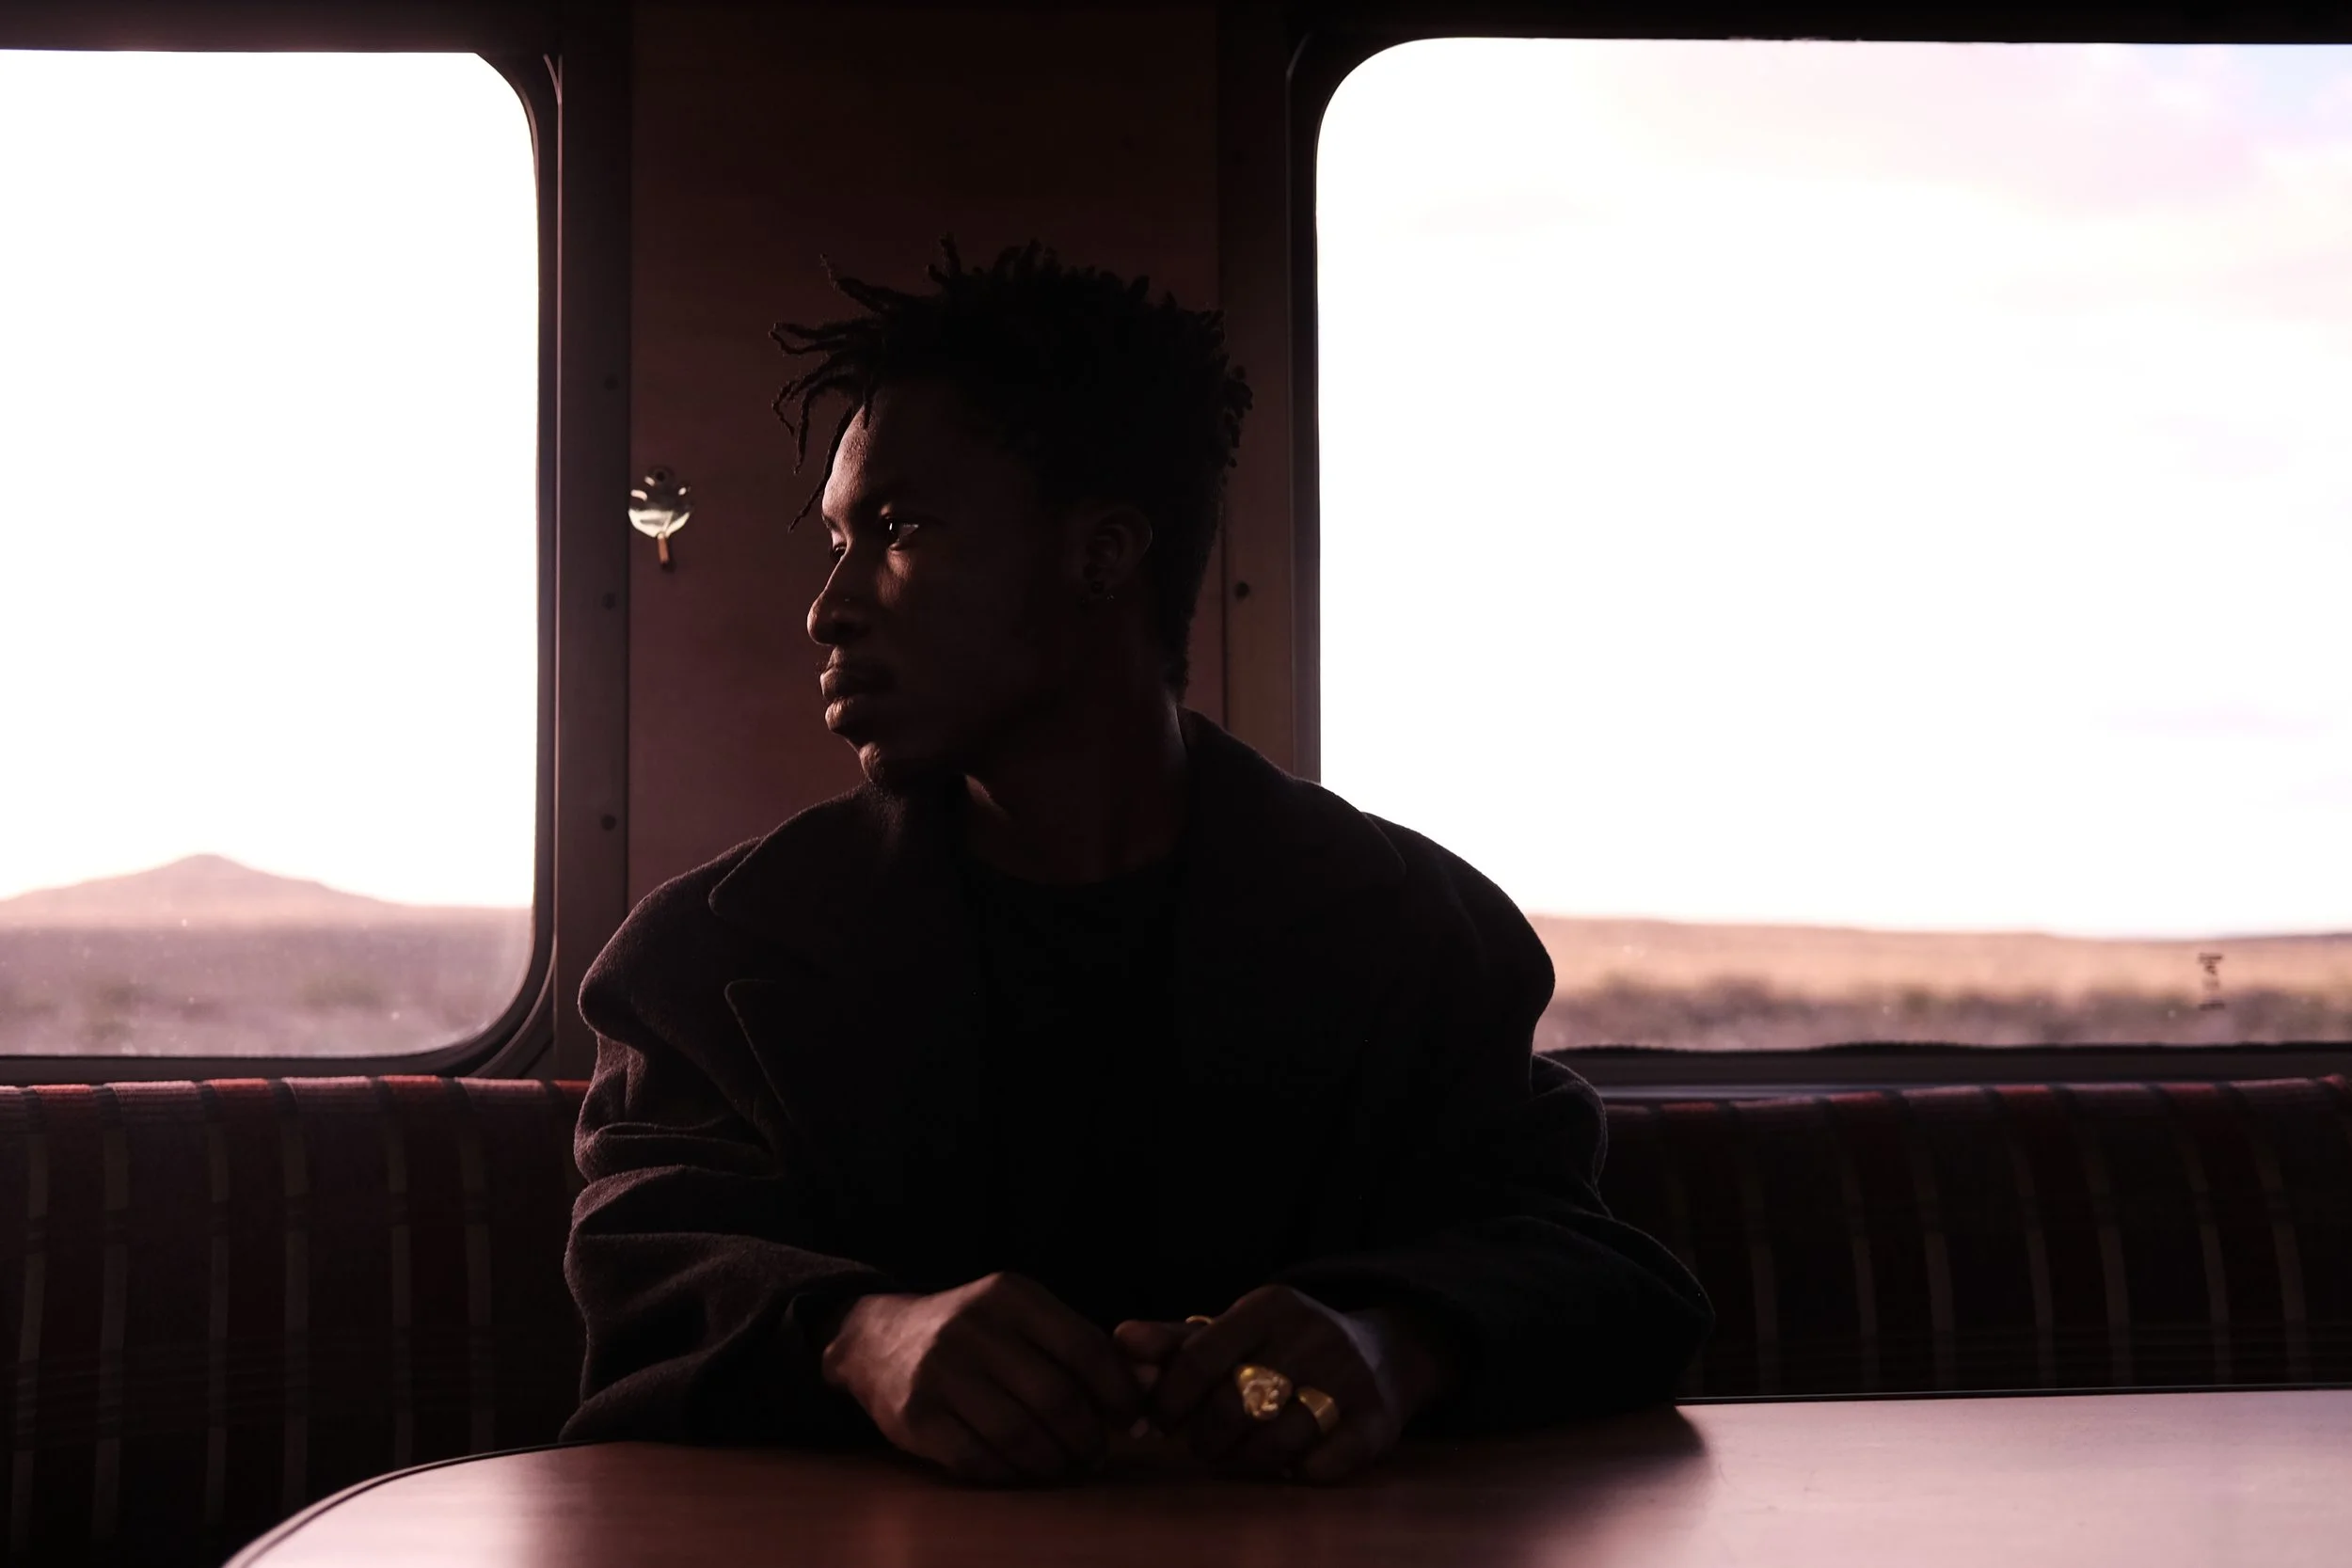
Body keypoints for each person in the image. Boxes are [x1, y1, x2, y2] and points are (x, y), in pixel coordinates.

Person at [562, 241, 1709, 1484]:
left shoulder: (1416, 931)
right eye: (838, 539)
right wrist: (857, 1338)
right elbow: (645, 1266)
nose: (827, 607)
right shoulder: (706, 958)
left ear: (1102, 555)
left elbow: (1596, 1269)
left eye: (897, 530)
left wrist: (1397, 1343)